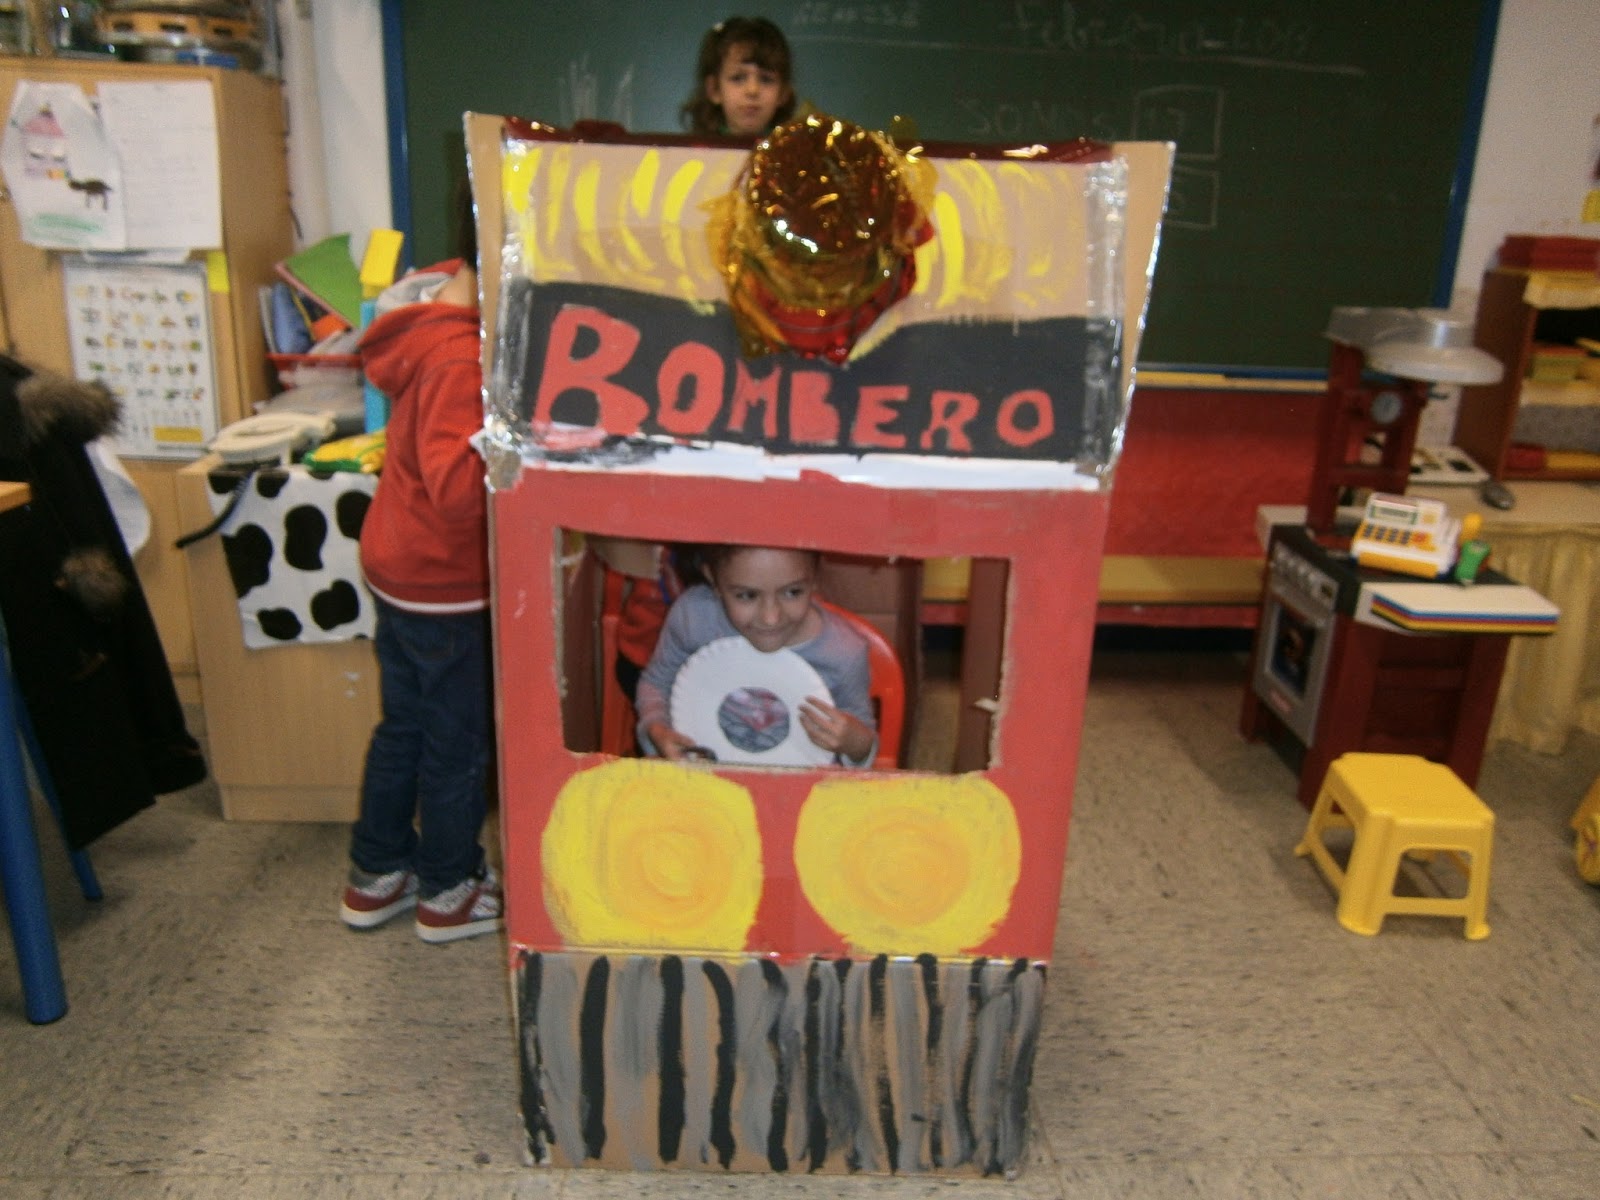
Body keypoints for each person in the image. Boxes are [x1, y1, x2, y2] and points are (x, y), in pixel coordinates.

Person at [337, 213, 501, 944]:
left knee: (404, 724)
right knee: (455, 742)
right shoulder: (462, 359)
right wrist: (513, 450)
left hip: (399, 570)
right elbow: (461, 492)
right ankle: (447, 886)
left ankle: (377, 873)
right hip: (442, 588)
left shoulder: (429, 325)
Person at [636, 545, 875, 766]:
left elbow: (864, 742)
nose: (771, 618)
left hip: (797, 794)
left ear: (814, 579)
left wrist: (854, 741)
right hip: (705, 781)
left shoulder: (844, 653)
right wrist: (656, 728)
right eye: (747, 595)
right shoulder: (694, 617)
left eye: (792, 592)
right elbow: (657, 682)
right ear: (713, 580)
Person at [680, 15, 796, 137]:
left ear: (783, 93)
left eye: (766, 79)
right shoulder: (696, 154)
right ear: (714, 89)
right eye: (738, 78)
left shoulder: (795, 154)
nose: (752, 90)